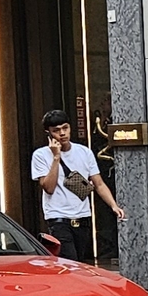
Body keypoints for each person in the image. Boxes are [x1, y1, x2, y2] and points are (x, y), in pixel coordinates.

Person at [31, 108, 123, 260]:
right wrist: (56, 157)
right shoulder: (40, 155)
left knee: (79, 261)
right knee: (69, 261)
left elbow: (98, 183)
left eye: (65, 128)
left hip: (83, 216)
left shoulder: (84, 152)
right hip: (58, 217)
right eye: (56, 130)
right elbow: (48, 188)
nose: (62, 133)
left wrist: (113, 205)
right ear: (49, 133)